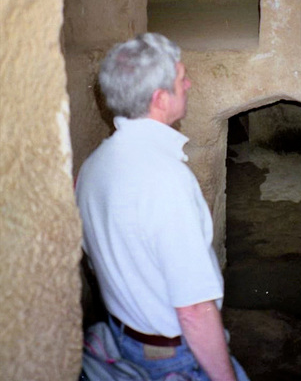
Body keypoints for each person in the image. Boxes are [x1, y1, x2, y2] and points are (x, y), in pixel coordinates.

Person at [75, 33, 249, 381]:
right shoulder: (167, 181)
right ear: (160, 98)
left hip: (124, 337)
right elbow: (195, 311)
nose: (189, 83)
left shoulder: (93, 166)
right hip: (172, 356)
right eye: (182, 77)